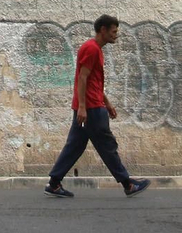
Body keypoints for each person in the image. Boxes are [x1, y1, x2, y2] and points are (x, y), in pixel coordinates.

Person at [44, 14, 150, 198]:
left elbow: (94, 82)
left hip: (92, 105)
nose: (116, 35)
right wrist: (83, 107)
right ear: (103, 30)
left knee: (75, 146)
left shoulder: (95, 49)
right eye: (114, 31)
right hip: (91, 109)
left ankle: (54, 184)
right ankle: (128, 184)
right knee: (107, 145)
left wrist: (107, 103)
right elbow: (82, 78)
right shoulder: (91, 49)